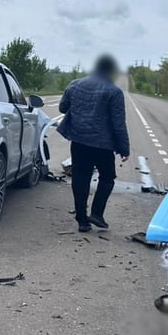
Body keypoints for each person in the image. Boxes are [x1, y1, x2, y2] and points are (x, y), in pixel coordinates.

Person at [58, 54, 130, 233]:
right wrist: (124, 148)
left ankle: (82, 220)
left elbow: (62, 108)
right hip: (102, 145)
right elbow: (118, 123)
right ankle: (97, 213)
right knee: (107, 177)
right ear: (110, 71)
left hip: (79, 141)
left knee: (80, 177)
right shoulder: (114, 92)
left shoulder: (75, 84)